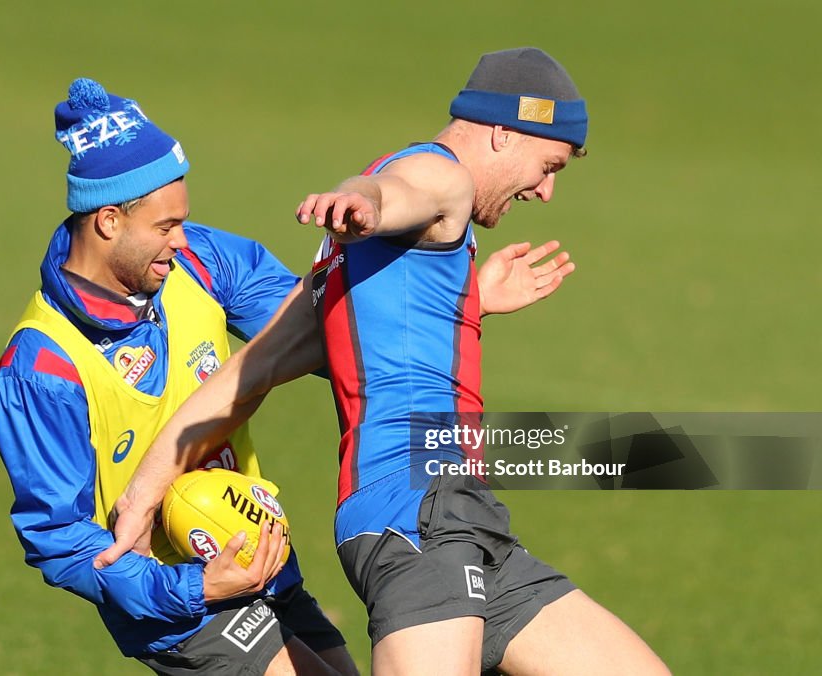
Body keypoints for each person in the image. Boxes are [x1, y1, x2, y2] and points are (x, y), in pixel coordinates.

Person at [97, 49, 672, 675]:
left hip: (466, 518)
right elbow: (396, 191)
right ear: (505, 132)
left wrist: (143, 496)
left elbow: (250, 371)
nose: (546, 189)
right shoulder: (440, 175)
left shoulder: (352, 265)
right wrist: (361, 203)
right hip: (417, 517)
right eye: (548, 164)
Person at [0, 77, 357, 676]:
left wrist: (456, 296)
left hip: (257, 550)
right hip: (174, 605)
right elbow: (60, 539)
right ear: (108, 220)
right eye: (164, 227)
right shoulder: (41, 369)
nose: (180, 240)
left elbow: (321, 333)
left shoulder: (199, 260)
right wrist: (196, 589)